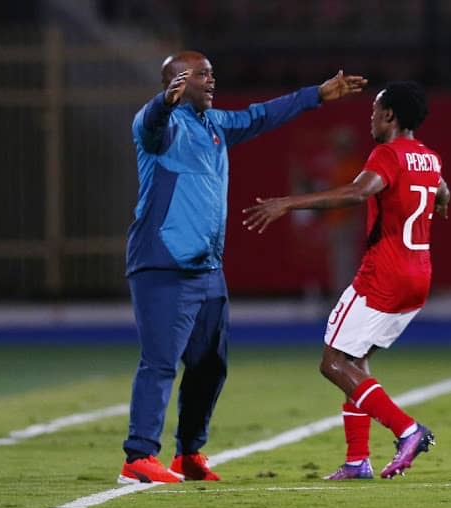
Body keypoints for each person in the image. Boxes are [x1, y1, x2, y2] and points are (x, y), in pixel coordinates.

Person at [117, 50, 367, 485]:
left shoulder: (214, 125)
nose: (212, 81)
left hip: (207, 268)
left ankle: (188, 453)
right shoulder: (160, 126)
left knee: (210, 365)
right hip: (164, 263)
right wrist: (163, 103)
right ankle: (138, 456)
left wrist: (316, 95)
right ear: (177, 82)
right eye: (202, 75)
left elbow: (261, 115)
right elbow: (150, 125)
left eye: (212, 73)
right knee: (160, 362)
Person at [243, 81, 450, 480]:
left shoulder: (387, 153)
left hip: (384, 274)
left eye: (374, 110)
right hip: (419, 275)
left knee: (333, 363)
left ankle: (407, 430)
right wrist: (441, 203)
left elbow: (359, 192)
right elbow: (442, 190)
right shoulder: (429, 157)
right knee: (355, 362)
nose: (370, 117)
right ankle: (357, 460)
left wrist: (289, 203)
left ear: (389, 115)